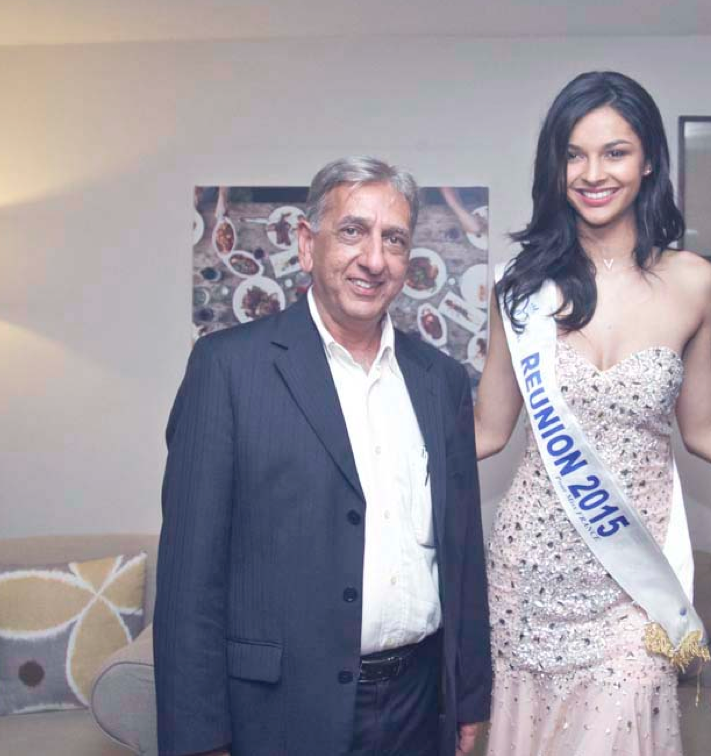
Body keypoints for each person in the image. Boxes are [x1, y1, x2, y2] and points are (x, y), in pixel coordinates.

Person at [155, 157, 491, 756]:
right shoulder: (228, 369)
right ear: (308, 245)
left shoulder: (440, 381)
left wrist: (468, 694)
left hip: (419, 707)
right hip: (281, 714)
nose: (374, 259)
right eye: (353, 231)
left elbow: (462, 550)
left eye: (393, 239)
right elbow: (189, 582)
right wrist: (198, 739)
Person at [474, 71, 711, 756]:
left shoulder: (693, 280)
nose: (592, 173)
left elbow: (705, 429)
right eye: (573, 154)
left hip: (631, 582)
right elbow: (488, 430)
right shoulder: (517, 286)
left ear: (648, 160)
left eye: (614, 152)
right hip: (527, 577)